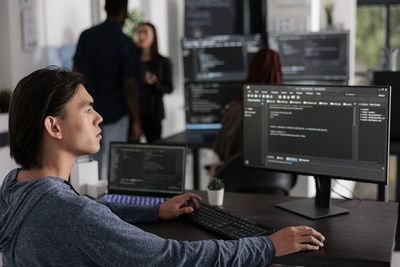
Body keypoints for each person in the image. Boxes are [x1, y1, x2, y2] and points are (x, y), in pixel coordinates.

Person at [0, 67, 325, 266]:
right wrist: (267, 245)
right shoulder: (76, 216)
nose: (98, 117)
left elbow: (85, 211)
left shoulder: (14, 186)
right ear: (54, 127)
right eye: (86, 110)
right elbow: (173, 259)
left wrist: (154, 211)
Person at [73, 0, 141, 180]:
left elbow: (75, 73)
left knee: (90, 166)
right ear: (124, 11)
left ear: (104, 8)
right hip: (116, 112)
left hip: (87, 111)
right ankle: (111, 207)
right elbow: (129, 85)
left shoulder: (86, 36)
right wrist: (136, 120)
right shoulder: (125, 42)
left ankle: (89, 206)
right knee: (115, 167)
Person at [210, 47, 283, 177]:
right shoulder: (287, 112)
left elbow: (221, 151)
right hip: (277, 184)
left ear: (251, 70)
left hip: (235, 184)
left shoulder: (233, 110)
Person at [133, 22, 173, 143]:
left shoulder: (163, 61)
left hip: (153, 114)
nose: (141, 36)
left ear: (153, 36)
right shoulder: (130, 61)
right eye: (139, 32)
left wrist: (154, 84)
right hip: (133, 114)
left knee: (154, 149)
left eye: (145, 32)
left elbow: (169, 88)